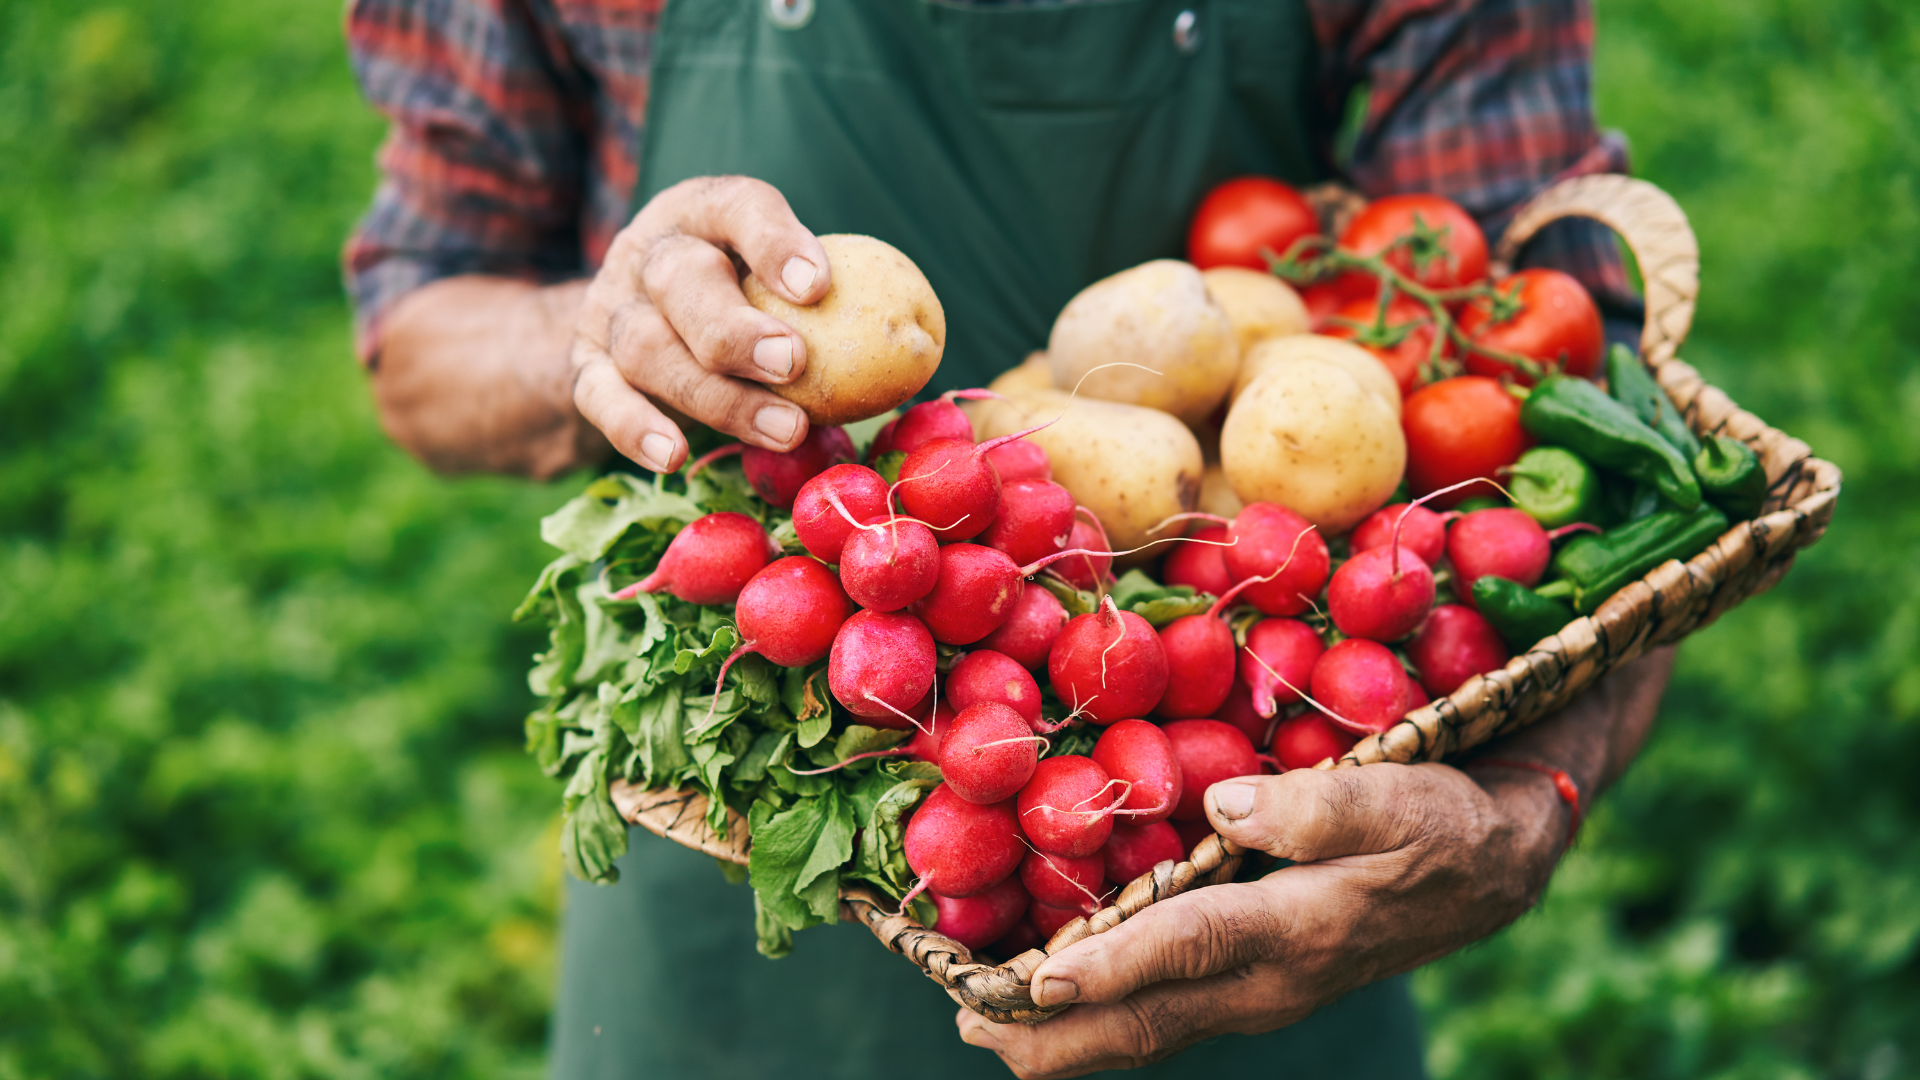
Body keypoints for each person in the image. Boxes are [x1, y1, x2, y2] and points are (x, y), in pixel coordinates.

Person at [343, 0, 1668, 1076]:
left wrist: (1529, 801)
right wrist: (609, 330)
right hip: (751, 845)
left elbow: (1568, 377)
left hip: (1246, 864)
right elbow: (420, 325)